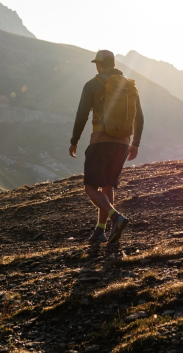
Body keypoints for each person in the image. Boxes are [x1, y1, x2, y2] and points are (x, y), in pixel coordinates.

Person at [69, 50, 144, 245]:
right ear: (113, 63)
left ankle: (115, 217)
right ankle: (100, 231)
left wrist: (74, 140)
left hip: (101, 141)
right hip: (123, 143)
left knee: (90, 187)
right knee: (108, 185)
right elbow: (139, 116)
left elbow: (82, 114)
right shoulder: (128, 85)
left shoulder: (92, 84)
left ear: (99, 64)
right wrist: (135, 143)